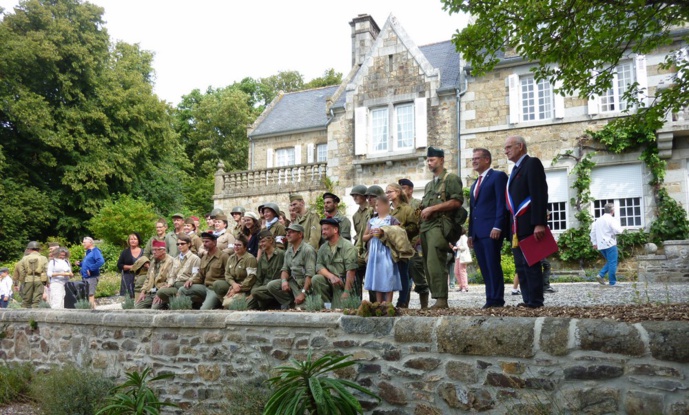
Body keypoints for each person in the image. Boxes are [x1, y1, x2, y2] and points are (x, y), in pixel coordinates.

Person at [504, 135, 549, 308]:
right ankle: (527, 299)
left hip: (530, 224)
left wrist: (539, 223)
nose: (506, 151)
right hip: (517, 225)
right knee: (521, 265)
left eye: (509, 147)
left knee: (531, 263)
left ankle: (536, 301)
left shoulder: (532, 164)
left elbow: (539, 194)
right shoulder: (515, 169)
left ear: (520, 146)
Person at [420, 146, 464, 309]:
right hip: (426, 228)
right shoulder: (429, 185)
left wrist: (433, 209)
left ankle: (441, 300)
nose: (429, 163)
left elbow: (457, 201)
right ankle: (437, 297)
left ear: (441, 160)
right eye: (428, 160)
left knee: (435, 262)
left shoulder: (450, 178)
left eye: (432, 160)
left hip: (440, 226)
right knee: (427, 264)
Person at [467, 148, 508, 309]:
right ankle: (490, 297)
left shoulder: (498, 177)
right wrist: (471, 234)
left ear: (487, 160)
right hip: (478, 232)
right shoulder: (474, 184)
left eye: (478, 158)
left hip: (492, 230)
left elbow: (501, 203)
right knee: (484, 267)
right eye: (473, 159)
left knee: (493, 264)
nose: (474, 161)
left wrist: (498, 225)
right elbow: (473, 210)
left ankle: (497, 299)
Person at [363, 195, 403, 304]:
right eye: (376, 205)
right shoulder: (371, 221)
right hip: (374, 253)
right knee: (377, 276)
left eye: (380, 205)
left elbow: (399, 233)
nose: (377, 207)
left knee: (388, 274)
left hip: (386, 251)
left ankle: (388, 303)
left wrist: (384, 232)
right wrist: (371, 234)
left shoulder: (392, 220)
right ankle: (378, 303)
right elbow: (363, 237)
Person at [265, 224, 316, 309]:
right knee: (271, 285)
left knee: (305, 308)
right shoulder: (288, 251)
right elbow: (285, 270)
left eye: (291, 232)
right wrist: (284, 281)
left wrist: (303, 293)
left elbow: (310, 275)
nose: (287, 235)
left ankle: (299, 302)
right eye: (287, 232)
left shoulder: (307, 250)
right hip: (293, 283)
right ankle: (290, 304)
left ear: (300, 234)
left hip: (305, 286)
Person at [310, 218, 358, 305]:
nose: (323, 232)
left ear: (335, 230)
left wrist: (346, 291)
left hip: (342, 284)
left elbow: (351, 271)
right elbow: (319, 266)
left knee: (339, 309)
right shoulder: (323, 247)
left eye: (326, 229)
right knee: (316, 279)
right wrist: (331, 276)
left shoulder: (347, 246)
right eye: (322, 230)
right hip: (330, 281)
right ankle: (325, 305)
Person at [178, 232, 229, 310]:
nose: (204, 244)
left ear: (214, 242)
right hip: (204, 287)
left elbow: (229, 275)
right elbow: (200, 276)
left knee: (203, 310)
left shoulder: (223, 256)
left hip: (214, 290)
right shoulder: (204, 257)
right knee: (182, 290)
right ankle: (183, 312)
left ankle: (217, 303)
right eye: (203, 242)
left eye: (207, 242)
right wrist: (192, 280)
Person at [386, 183, 418, 308]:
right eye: (386, 192)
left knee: (403, 274)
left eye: (390, 192)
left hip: (401, 247)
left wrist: (399, 230)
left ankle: (402, 300)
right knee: (388, 274)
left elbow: (414, 227)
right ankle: (386, 302)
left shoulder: (407, 209)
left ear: (398, 192)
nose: (387, 194)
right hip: (387, 247)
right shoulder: (387, 209)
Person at [154, 234, 201, 308]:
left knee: (182, 289)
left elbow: (195, 274)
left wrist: (190, 281)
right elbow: (172, 275)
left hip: (187, 285)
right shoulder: (175, 259)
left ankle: (184, 303)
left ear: (189, 244)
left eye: (182, 244)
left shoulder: (195, 258)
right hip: (176, 285)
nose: (180, 246)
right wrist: (169, 284)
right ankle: (174, 303)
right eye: (178, 244)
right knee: (161, 291)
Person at [247, 230, 284, 310]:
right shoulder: (262, 258)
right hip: (263, 289)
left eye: (263, 241)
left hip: (276, 287)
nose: (261, 244)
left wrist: (255, 292)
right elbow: (259, 279)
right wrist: (253, 291)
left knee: (256, 293)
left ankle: (272, 303)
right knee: (247, 305)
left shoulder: (281, 254)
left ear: (270, 241)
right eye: (260, 242)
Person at [220, 235, 258, 309]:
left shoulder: (250, 259)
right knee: (218, 285)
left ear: (245, 247)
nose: (236, 247)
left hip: (245, 287)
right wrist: (233, 284)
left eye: (239, 245)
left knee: (230, 304)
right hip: (233, 285)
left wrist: (238, 288)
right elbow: (227, 274)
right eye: (235, 245)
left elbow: (251, 277)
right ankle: (226, 299)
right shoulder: (231, 258)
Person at [590, 202, 623, 286]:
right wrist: (622, 229)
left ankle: (600, 275)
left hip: (601, 245)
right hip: (610, 243)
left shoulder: (598, 220)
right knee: (613, 262)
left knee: (610, 261)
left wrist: (594, 243)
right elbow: (618, 230)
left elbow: (592, 232)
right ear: (612, 210)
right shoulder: (611, 219)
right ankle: (612, 282)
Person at [136, 240, 175, 309]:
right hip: (150, 292)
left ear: (163, 250)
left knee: (155, 308)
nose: (154, 252)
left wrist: (161, 294)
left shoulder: (171, 261)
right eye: (153, 250)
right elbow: (147, 278)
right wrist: (143, 291)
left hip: (162, 292)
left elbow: (170, 281)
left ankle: (166, 307)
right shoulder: (153, 261)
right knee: (138, 306)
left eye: (156, 250)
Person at [350, 185, 372, 299]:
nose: (355, 197)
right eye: (353, 195)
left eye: (357, 195)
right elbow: (358, 234)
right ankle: (356, 302)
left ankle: (374, 303)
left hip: (371, 247)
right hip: (360, 249)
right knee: (356, 274)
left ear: (364, 195)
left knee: (372, 277)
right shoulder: (355, 215)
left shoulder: (372, 210)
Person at [14, 241, 48, 308]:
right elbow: (46, 270)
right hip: (39, 279)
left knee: (26, 300)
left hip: (28, 279)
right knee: (37, 300)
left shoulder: (24, 258)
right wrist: (47, 282)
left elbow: (22, 271)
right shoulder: (43, 258)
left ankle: (23, 315)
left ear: (29, 249)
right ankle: (34, 315)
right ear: (38, 249)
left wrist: (22, 281)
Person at [77, 237, 105, 309]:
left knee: (90, 294)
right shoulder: (88, 252)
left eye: (84, 242)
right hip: (85, 276)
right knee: (87, 294)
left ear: (90, 243)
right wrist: (80, 264)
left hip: (92, 277)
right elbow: (88, 263)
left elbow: (101, 261)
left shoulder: (95, 251)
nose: (83, 244)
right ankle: (91, 310)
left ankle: (93, 312)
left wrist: (91, 269)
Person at [116, 233, 144, 298]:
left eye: (135, 239)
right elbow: (119, 265)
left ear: (138, 240)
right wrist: (130, 267)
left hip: (141, 278)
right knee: (129, 298)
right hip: (128, 278)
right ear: (128, 241)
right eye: (131, 239)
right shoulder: (125, 252)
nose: (133, 241)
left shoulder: (143, 252)